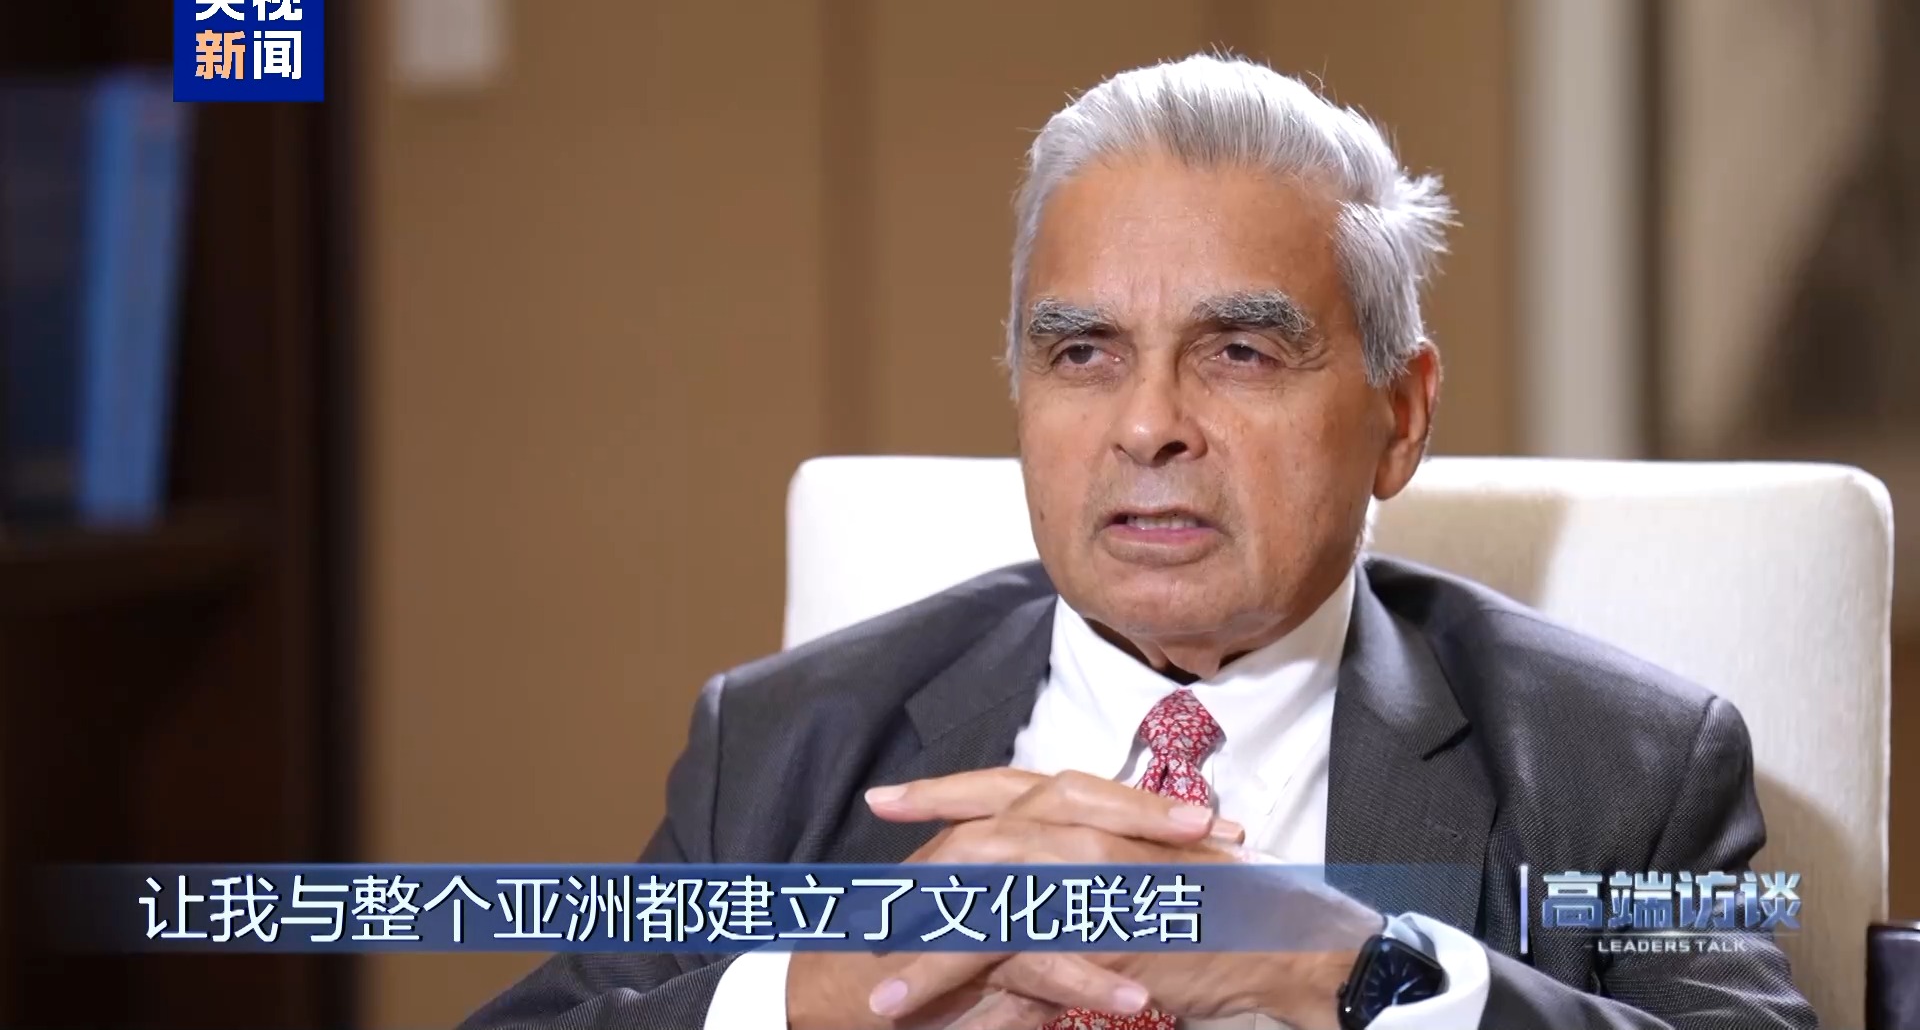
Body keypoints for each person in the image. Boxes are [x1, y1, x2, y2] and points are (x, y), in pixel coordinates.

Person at [460, 55, 1815, 1030]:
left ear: (1400, 417)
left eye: (1240, 352)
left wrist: (1333, 967)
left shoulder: (1622, 770)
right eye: (1084, 353)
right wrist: (825, 989)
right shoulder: (784, 746)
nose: (1149, 425)